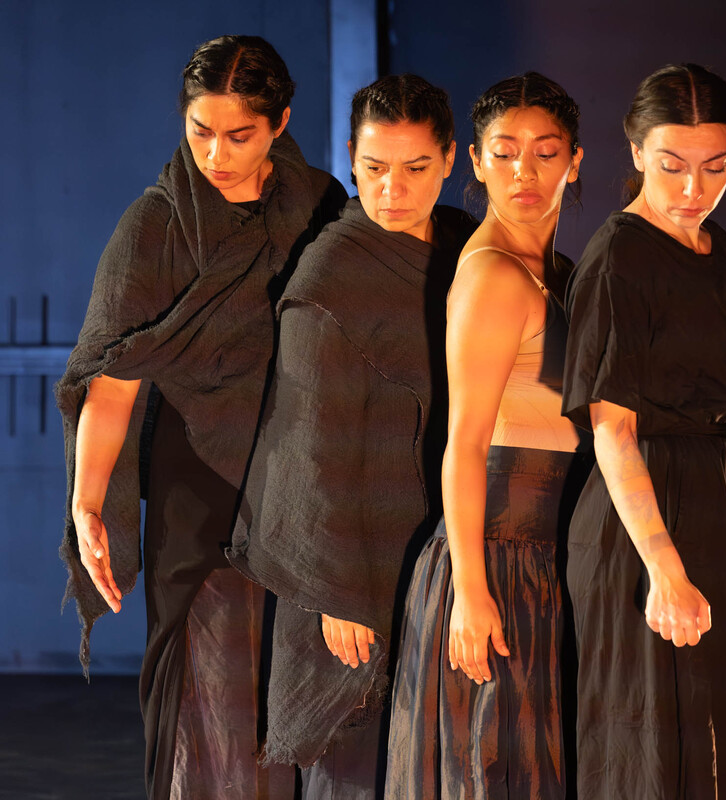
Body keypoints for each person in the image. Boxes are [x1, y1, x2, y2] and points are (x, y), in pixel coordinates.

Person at [55, 35, 346, 799]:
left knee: (301, 681)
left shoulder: (320, 207)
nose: (216, 154)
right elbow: (113, 380)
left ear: (281, 122)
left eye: (239, 135)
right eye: (200, 131)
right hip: (198, 481)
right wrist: (88, 501)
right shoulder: (154, 225)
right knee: (208, 690)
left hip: (297, 481)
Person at [227, 75, 475, 797]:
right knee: (355, 761)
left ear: (451, 158)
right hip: (348, 564)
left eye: (416, 168)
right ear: (350, 158)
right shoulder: (331, 269)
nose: (391, 190)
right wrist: (333, 592)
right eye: (373, 168)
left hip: (437, 541)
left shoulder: (466, 249)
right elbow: (310, 446)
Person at [561, 64, 726, 799]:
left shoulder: (722, 250)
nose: (694, 187)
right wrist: (665, 567)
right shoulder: (620, 256)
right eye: (672, 164)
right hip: (644, 521)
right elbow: (612, 433)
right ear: (636, 151)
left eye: (716, 166)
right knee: (646, 748)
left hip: (721, 504)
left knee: (716, 735)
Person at [384, 72, 584, 800]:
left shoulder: (557, 271)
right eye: (503, 153)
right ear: (475, 160)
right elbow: (464, 441)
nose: (523, 172)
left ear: (575, 161)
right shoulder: (495, 274)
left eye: (544, 153)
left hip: (544, 555)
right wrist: (470, 590)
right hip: (496, 558)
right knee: (495, 771)